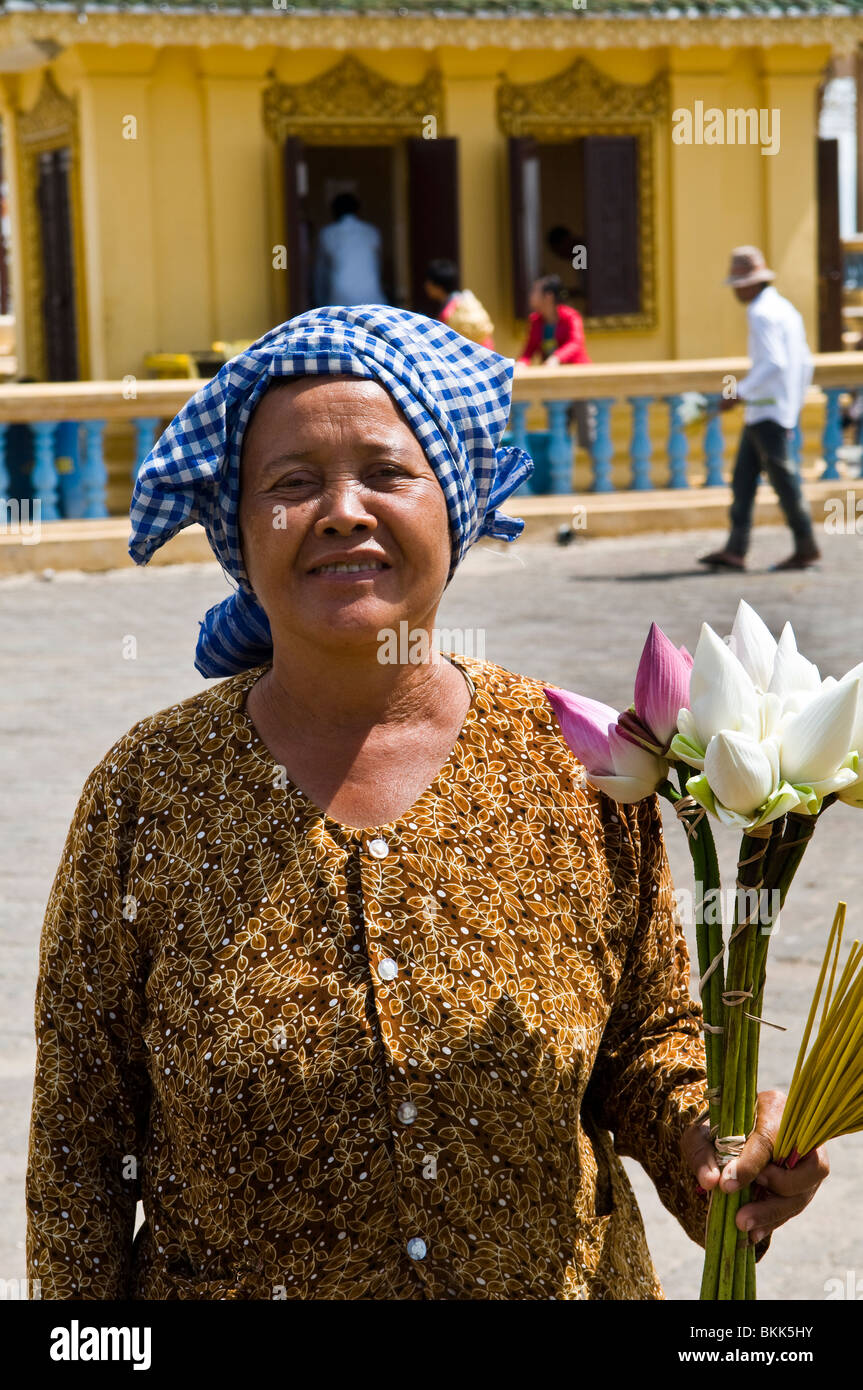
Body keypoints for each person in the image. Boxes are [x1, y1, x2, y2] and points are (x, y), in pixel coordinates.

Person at [26, 306, 828, 1300]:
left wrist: (717, 1150)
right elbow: (80, 1150)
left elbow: (639, 1047)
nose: (343, 509)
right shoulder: (145, 795)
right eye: (290, 483)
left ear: (452, 500)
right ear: (239, 528)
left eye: (386, 472)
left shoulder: (575, 760)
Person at [699, 246, 820, 572]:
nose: (737, 290)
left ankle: (806, 544)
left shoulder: (760, 313)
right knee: (744, 481)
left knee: (784, 482)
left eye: (739, 284)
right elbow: (802, 364)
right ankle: (736, 549)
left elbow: (774, 364)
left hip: (767, 413)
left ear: (751, 283)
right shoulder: (785, 309)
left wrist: (737, 393)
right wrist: (791, 406)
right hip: (771, 411)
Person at [518, 273, 594, 453]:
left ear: (548, 296)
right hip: (556, 385)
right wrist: (521, 363)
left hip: (578, 381)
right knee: (558, 432)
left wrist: (557, 358)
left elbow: (576, 343)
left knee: (588, 433)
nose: (531, 295)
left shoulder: (570, 317)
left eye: (535, 291)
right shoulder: (536, 321)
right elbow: (529, 350)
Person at [313, 192, 385, 307]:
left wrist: (319, 302)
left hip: (340, 298)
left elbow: (320, 274)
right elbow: (379, 265)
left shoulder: (328, 233)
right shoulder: (371, 231)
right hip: (372, 297)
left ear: (333, 211)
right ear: (358, 210)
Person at [423, 258, 495, 349]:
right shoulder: (465, 301)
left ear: (437, 284)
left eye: (428, 282)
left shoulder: (448, 312)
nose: (426, 285)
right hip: (486, 351)